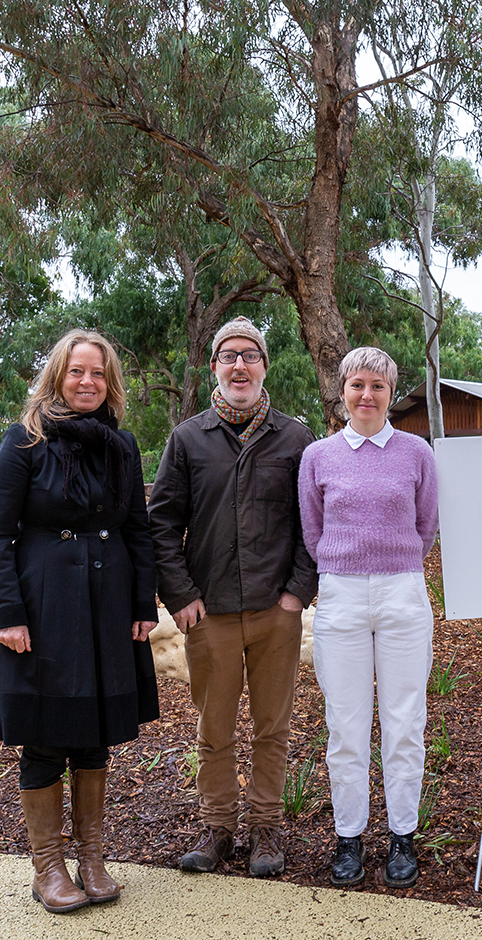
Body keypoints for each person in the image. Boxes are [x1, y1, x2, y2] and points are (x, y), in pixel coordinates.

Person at [0, 329, 160, 914]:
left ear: (110, 382)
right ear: (57, 376)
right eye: (76, 372)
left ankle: (92, 857)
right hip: (43, 605)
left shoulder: (121, 447)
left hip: (107, 604)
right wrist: (6, 613)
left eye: (97, 373)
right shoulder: (23, 443)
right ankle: (48, 866)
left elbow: (138, 530)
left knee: (94, 733)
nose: (87, 382)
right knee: (46, 736)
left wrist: (141, 604)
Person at [148, 317, 318, 878]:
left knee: (273, 727)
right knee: (214, 728)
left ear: (264, 365)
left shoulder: (295, 439)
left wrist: (297, 591)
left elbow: (312, 524)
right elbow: (161, 524)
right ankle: (218, 827)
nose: (239, 364)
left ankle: (266, 828)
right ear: (214, 368)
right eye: (228, 355)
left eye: (250, 355)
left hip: (276, 611)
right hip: (209, 612)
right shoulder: (188, 438)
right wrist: (180, 594)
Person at [297, 347, 438, 889]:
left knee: (405, 722)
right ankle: (349, 837)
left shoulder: (416, 452)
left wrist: (395, 563)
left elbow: (427, 526)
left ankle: (402, 836)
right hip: (341, 597)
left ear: (390, 393)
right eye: (357, 384)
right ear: (342, 391)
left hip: (403, 593)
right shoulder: (319, 456)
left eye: (378, 386)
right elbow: (312, 530)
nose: (367, 395)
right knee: (346, 725)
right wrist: (343, 567)